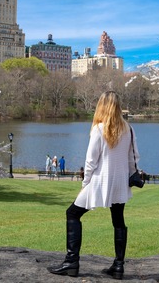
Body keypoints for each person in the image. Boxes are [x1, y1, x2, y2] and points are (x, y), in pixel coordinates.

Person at [48, 91, 138, 280]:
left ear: (102, 106)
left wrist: (85, 183)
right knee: (118, 220)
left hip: (99, 181)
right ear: (118, 106)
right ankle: (119, 266)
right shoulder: (128, 128)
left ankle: (71, 262)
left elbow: (90, 161)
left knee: (72, 214)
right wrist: (129, 176)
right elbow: (133, 158)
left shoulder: (99, 129)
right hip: (119, 182)